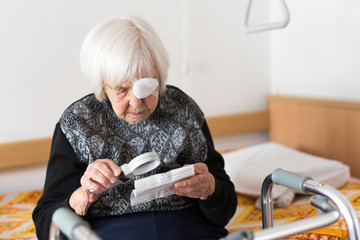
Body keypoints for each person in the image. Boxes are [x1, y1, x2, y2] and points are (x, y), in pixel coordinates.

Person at [33, 16, 237, 240]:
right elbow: (45, 224)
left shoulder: (184, 109)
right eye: (122, 89)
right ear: (102, 84)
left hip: (188, 229)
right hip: (108, 232)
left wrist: (210, 189)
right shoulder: (77, 124)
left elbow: (225, 208)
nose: (137, 102)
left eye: (147, 85)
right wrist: (79, 198)